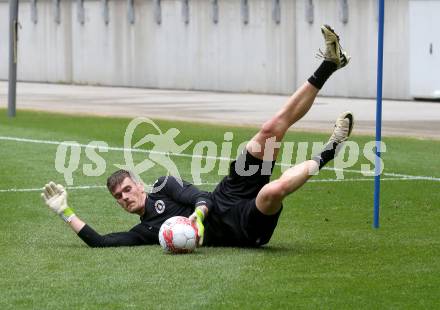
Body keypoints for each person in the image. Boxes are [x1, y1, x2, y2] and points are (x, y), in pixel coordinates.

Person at [41, 25, 353, 248]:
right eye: (119, 197)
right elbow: (100, 242)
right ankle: (331, 149)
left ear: (138, 183)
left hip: (227, 193)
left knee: (269, 131)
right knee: (273, 190)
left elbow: (201, 198)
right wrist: (64, 211)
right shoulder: (148, 231)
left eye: (126, 189)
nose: (125, 197)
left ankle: (329, 63)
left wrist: (197, 219)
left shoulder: (164, 184)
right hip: (241, 229)